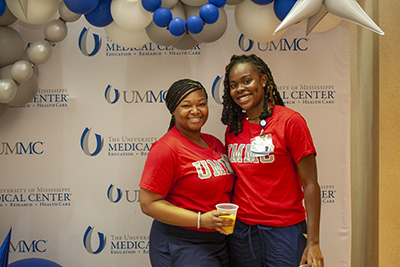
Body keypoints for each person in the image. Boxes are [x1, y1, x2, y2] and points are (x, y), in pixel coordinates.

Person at [221, 54, 324, 267]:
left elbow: (311, 183)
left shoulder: (290, 121)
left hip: (283, 231)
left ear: (264, 81)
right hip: (243, 232)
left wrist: (313, 242)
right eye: (233, 85)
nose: (240, 89)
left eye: (246, 81)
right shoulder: (233, 128)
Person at [139, 78, 236, 267]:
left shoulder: (214, 142)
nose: (195, 111)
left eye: (201, 104)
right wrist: (200, 220)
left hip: (218, 239)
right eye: (186, 105)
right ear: (173, 110)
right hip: (182, 241)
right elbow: (148, 204)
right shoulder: (166, 148)